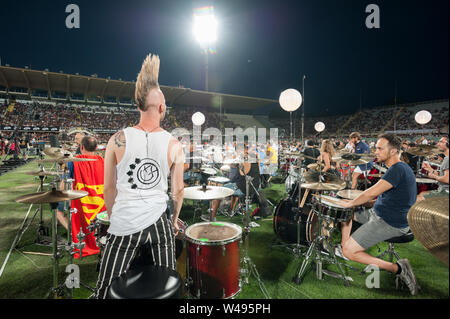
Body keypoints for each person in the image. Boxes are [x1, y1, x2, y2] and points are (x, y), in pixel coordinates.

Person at [94, 54, 185, 299]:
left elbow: (109, 189)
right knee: (168, 285)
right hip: (160, 222)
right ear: (163, 108)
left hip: (124, 222)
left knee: (105, 288)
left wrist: (115, 217)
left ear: (138, 106)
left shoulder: (116, 139)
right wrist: (174, 220)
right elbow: (177, 192)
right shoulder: (174, 143)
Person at [336, 133, 419, 295]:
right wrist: (357, 205)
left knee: (349, 249)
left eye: (380, 148)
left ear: (394, 151)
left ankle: (399, 268)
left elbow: (370, 193)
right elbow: (390, 199)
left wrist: (351, 202)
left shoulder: (398, 169)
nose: (376, 151)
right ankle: (344, 245)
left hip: (390, 222)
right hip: (380, 213)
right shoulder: (397, 168)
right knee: (345, 212)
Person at [417, 135, 449, 201]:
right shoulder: (446, 158)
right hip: (444, 190)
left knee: (419, 197)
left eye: (441, 142)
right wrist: (430, 169)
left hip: (445, 192)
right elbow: (444, 175)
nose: (438, 144)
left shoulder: (448, 159)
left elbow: (446, 179)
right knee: (422, 193)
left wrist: (433, 176)